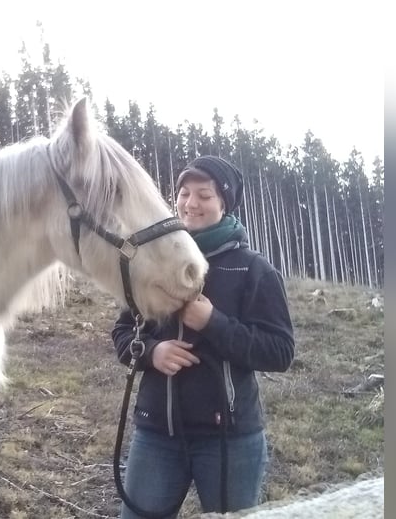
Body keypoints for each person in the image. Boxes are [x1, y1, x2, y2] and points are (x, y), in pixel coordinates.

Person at [112, 155, 295, 517]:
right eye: (183, 193)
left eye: (205, 195)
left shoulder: (254, 270)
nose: (190, 203)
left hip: (230, 440)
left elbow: (280, 351)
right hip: (156, 436)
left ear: (224, 202)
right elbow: (122, 332)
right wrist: (152, 352)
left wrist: (213, 322)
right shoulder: (152, 263)